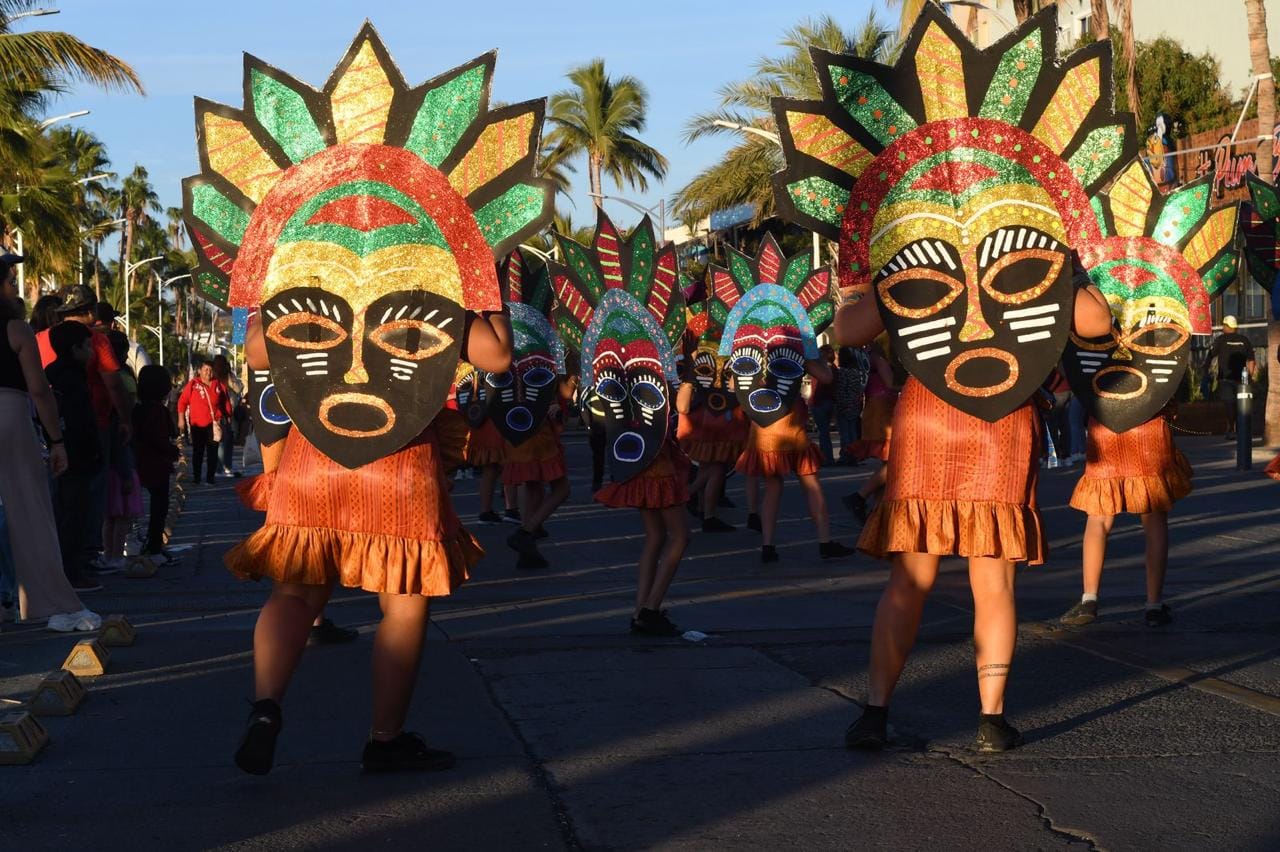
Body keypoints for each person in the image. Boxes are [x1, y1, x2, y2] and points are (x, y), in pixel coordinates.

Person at [780, 8, 1132, 753]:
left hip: (971, 417)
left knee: (944, 576)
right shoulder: (989, 228)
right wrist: (1055, 259)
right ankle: (968, 714)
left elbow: (849, 330)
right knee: (957, 576)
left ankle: (910, 710)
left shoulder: (933, 231)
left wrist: (1050, 262)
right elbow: (1096, 323)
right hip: (961, 417)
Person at [0, 254, 100, 629]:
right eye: (10, 280)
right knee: (29, 512)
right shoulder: (15, 329)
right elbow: (39, 390)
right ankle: (48, 602)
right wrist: (56, 440)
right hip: (9, 413)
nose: (15, 285)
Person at [36, 285, 133, 572]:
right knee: (90, 491)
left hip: (45, 425)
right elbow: (113, 384)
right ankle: (85, 555)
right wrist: (126, 419)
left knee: (55, 492)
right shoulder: (97, 341)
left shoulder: (40, 338)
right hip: (92, 424)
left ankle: (56, 552)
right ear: (90, 311)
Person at [46, 322, 110, 591]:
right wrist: (91, 449)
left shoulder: (54, 373)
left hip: (65, 450)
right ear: (75, 349)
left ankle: (67, 569)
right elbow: (78, 419)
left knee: (65, 513)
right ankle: (71, 573)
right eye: (87, 347)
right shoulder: (71, 378)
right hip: (76, 453)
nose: (92, 352)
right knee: (75, 514)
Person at [133, 364, 181, 564]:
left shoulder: (138, 408)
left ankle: (152, 545)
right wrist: (173, 450)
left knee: (157, 505)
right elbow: (157, 437)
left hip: (143, 461)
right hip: (155, 464)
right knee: (159, 506)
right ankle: (154, 547)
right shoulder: (156, 411)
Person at [177, 360, 231, 485]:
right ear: (200, 371)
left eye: (210, 370)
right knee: (198, 451)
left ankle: (210, 478)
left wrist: (228, 418)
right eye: (205, 369)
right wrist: (181, 420)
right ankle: (197, 478)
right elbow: (182, 402)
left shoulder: (218, 385)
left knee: (212, 451)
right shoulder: (193, 384)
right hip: (197, 425)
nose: (208, 372)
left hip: (213, 424)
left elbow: (226, 403)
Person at [1203, 316, 1256, 439]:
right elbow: (1252, 361)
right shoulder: (1244, 340)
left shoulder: (1220, 340)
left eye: (1223, 325)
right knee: (1240, 405)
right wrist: (1249, 378)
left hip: (1225, 379)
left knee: (1229, 404)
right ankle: (1240, 429)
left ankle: (1231, 429)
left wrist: (1206, 371)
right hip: (1241, 381)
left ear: (1226, 326)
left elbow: (1210, 355)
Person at [211, 354, 244, 477]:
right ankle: (223, 467)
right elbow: (239, 388)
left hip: (228, 412)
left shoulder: (223, 377)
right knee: (223, 440)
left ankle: (224, 466)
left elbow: (239, 388)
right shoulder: (218, 378)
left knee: (226, 440)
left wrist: (230, 376)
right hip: (223, 413)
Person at [808, 344, 837, 465]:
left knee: (823, 432)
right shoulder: (834, 368)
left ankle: (826, 457)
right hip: (830, 401)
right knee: (825, 432)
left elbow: (817, 388)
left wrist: (812, 400)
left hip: (820, 401)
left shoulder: (819, 370)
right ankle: (827, 456)